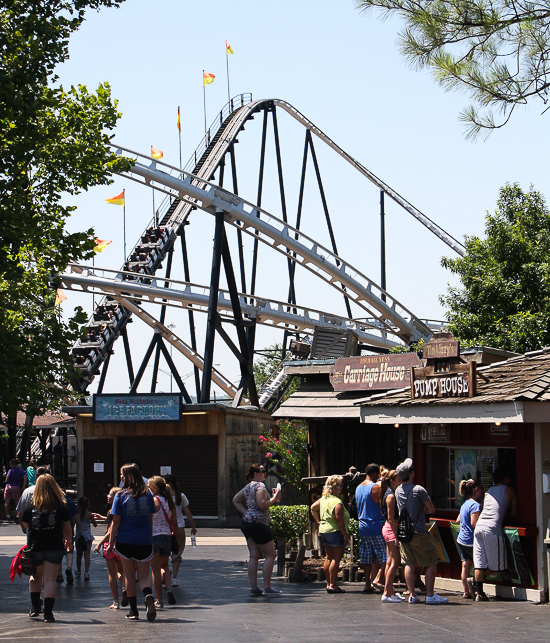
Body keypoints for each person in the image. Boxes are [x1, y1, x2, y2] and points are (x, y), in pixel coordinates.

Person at [107, 463, 157, 621]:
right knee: (143, 575)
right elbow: (151, 516)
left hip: (125, 539)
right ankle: (148, 594)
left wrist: (110, 542)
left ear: (128, 476)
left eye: (122, 474)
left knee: (128, 575)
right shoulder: (148, 494)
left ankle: (133, 610)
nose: (121, 477)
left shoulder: (120, 495)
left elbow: (115, 521)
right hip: (144, 539)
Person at [395, 458, 448, 604]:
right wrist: (421, 508)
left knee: (409, 563)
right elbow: (431, 509)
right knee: (431, 562)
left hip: (404, 532)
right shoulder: (418, 490)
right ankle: (430, 595)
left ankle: (412, 594)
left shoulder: (398, 490)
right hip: (418, 530)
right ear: (411, 473)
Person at [20, 473, 72, 622]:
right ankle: (48, 613)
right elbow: (67, 528)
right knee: (50, 580)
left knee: (35, 576)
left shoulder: (30, 504)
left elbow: (25, 525)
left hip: (35, 546)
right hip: (54, 545)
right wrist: (68, 542)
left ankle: (35, 607)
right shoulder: (59, 504)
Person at [232, 463, 282, 597]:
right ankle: (267, 586)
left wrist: (246, 513)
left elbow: (236, 500)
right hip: (259, 524)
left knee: (254, 555)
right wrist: (274, 498)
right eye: (262, 471)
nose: (265, 473)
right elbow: (262, 505)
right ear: (256, 474)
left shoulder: (248, 487)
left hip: (247, 523)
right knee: (271, 554)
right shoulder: (260, 486)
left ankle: (254, 588)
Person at [473, 467, 517, 601]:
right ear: (504, 478)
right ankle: (476, 584)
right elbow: (514, 512)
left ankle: (479, 592)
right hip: (492, 529)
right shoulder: (509, 490)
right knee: (497, 566)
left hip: (479, 527)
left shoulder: (489, 491)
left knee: (479, 563)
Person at [310, 475, 349, 593]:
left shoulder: (324, 499)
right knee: (336, 558)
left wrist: (318, 521)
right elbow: (339, 519)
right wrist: (344, 535)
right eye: (341, 485)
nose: (342, 487)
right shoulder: (337, 502)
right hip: (335, 531)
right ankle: (333, 584)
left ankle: (328, 583)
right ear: (336, 487)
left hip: (324, 530)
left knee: (328, 557)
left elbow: (312, 508)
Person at [355, 463, 387, 593]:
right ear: (375, 474)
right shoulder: (375, 488)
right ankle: (378, 578)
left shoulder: (358, 487)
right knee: (386, 556)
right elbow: (382, 504)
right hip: (375, 525)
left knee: (367, 558)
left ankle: (367, 583)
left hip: (363, 526)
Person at [94, 487, 127, 609]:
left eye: (110, 495)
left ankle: (115, 601)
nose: (107, 496)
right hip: (122, 544)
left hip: (110, 545)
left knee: (112, 574)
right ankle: (124, 588)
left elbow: (110, 530)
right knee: (122, 571)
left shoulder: (113, 511)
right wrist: (102, 518)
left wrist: (99, 544)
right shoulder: (124, 510)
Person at [148, 476, 178, 608]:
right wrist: (175, 537)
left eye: (149, 487)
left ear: (154, 489)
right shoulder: (169, 501)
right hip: (167, 536)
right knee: (165, 566)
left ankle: (159, 600)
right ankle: (169, 589)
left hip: (154, 536)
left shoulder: (154, 501)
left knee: (155, 570)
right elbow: (175, 523)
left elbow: (149, 520)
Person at [164, 473, 197, 586]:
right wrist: (193, 526)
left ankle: (165, 575)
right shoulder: (180, 496)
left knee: (163, 553)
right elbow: (187, 512)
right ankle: (174, 578)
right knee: (177, 553)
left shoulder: (162, 497)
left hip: (165, 527)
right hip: (179, 527)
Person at [379, 469, 404, 602]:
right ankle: (387, 593)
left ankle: (390, 591)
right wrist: (396, 536)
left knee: (390, 561)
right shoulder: (391, 496)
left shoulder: (390, 494)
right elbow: (390, 517)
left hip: (389, 528)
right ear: (392, 481)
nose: (401, 482)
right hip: (391, 529)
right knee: (395, 562)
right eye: (399, 480)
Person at [456, 479, 483, 598]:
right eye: (480, 489)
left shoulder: (465, 504)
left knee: (465, 565)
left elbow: (457, 520)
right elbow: (474, 523)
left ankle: (466, 591)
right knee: (478, 565)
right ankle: (476, 589)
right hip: (471, 541)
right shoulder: (475, 505)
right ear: (475, 490)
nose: (482, 491)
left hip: (462, 539)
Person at [57, 485, 81, 583]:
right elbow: (76, 516)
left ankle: (59, 574)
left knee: (58, 552)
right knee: (69, 550)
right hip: (68, 529)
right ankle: (69, 568)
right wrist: (79, 528)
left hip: (57, 531)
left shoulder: (55, 502)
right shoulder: (70, 501)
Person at [75, 496, 96, 580]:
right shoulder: (89, 514)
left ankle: (78, 570)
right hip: (87, 536)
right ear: (88, 505)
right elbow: (95, 524)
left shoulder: (76, 515)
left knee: (78, 555)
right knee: (87, 555)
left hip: (79, 537)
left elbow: (73, 524)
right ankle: (86, 572)